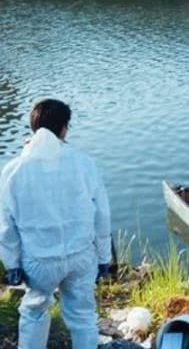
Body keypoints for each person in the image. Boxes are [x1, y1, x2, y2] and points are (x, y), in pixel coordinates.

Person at [0, 99, 112, 349]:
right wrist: (104, 257)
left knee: (34, 310)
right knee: (83, 317)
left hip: (39, 261)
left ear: (33, 127)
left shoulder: (13, 170)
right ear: (64, 128)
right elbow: (101, 215)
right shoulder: (84, 163)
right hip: (81, 256)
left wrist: (12, 264)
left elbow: (6, 226)